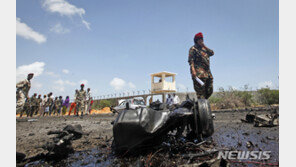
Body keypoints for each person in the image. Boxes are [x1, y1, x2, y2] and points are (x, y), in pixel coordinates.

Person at [188, 32, 214, 99]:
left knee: (210, 90)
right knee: (200, 92)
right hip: (199, 73)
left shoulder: (204, 49)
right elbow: (191, 61)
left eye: (202, 39)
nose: (201, 41)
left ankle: (202, 103)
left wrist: (204, 46)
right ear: (196, 40)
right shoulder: (193, 49)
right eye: (199, 39)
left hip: (207, 73)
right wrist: (193, 71)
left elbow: (212, 53)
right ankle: (201, 105)